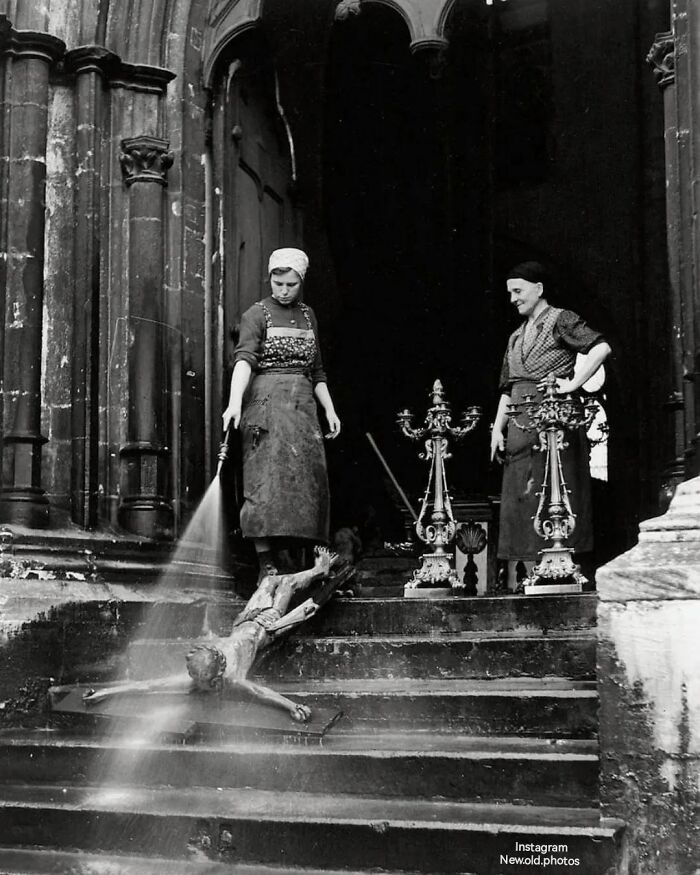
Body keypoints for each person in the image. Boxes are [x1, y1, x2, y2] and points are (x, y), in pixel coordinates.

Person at [82, 548, 348, 723]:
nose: (195, 684)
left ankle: (318, 572)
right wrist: (107, 692)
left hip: (256, 622)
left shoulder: (222, 674)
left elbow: (259, 692)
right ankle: (317, 571)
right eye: (196, 679)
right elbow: (150, 686)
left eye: (199, 681)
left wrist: (292, 706)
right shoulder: (217, 677)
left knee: (273, 581)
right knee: (280, 582)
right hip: (258, 624)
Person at [490, 262, 611, 587]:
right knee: (523, 496)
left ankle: (562, 569)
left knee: (556, 489)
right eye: (510, 293)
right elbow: (507, 386)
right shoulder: (515, 336)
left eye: (518, 291)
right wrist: (496, 428)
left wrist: (573, 384)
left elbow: (601, 347)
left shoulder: (561, 319)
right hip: (519, 421)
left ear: (539, 289)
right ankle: (533, 576)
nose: (513, 299)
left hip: (553, 417)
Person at [222, 248, 341, 576]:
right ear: (270, 279)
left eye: (291, 284)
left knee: (307, 483)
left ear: (301, 281)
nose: (284, 290)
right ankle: (267, 564)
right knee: (265, 484)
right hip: (266, 405)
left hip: (302, 407)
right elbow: (244, 360)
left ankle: (305, 564)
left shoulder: (308, 315)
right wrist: (234, 403)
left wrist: (329, 409)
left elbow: (317, 370)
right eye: (278, 283)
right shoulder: (256, 315)